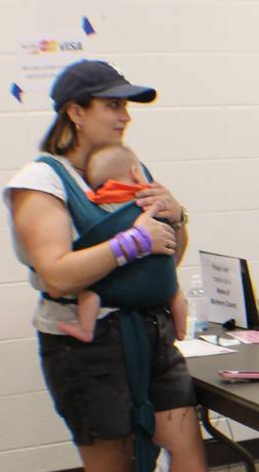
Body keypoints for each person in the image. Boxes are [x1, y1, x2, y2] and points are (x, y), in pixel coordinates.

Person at [3, 59, 208, 472]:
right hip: (84, 346)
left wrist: (174, 216)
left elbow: (168, 255)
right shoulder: (39, 181)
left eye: (128, 106)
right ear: (74, 111)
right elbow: (56, 272)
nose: (124, 115)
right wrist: (129, 241)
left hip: (149, 335)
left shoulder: (132, 165)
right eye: (112, 105)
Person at [57, 144, 189, 344]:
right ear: (136, 172)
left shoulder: (97, 200)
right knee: (177, 292)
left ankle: (85, 328)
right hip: (162, 285)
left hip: (120, 285)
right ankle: (181, 330)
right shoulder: (153, 196)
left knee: (90, 293)